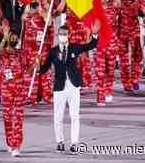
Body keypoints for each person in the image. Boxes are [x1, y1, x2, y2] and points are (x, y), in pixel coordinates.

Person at [33, 22, 99, 154]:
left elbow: (90, 45)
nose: (63, 36)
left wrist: (95, 34)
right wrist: (37, 63)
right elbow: (44, 69)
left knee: (75, 116)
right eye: (61, 34)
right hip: (59, 86)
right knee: (58, 117)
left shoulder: (74, 47)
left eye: (65, 34)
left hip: (73, 85)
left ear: (69, 35)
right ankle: (60, 142)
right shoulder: (53, 51)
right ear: (58, 35)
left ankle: (74, 143)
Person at [0, 28, 27, 156]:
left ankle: (16, 145)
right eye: (12, 38)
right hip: (6, 90)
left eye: (16, 38)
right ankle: (10, 142)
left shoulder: (21, 53)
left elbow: (28, 70)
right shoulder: (2, 53)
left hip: (19, 90)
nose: (14, 40)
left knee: (18, 119)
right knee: (7, 118)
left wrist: (35, 62)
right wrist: (4, 37)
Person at [95, 0, 121, 106]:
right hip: (100, 40)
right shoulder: (95, 6)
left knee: (110, 68)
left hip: (112, 40)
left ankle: (108, 90)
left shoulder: (113, 5)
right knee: (100, 69)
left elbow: (119, 3)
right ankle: (100, 96)